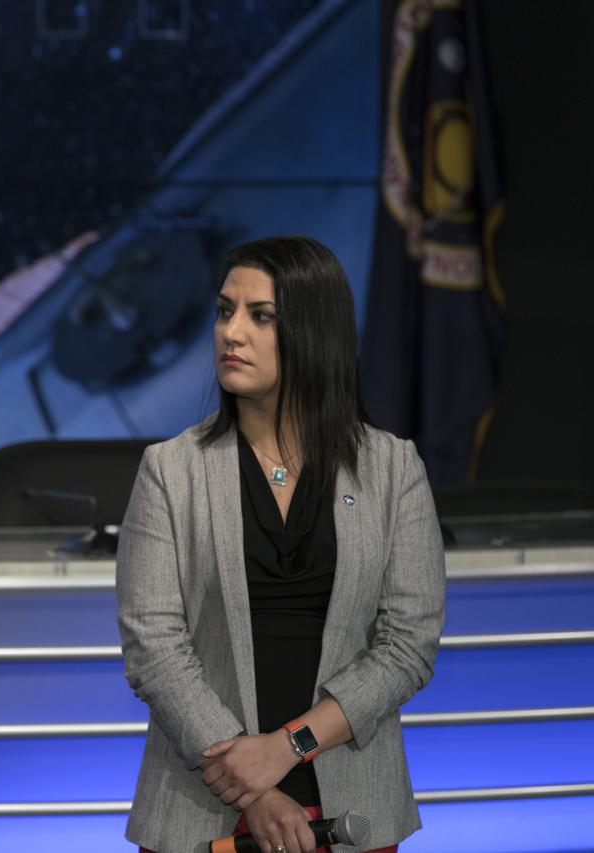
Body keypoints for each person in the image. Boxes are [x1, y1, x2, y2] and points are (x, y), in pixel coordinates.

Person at [116, 235, 445, 853]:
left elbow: (409, 643)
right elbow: (153, 647)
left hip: (353, 806)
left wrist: (288, 747)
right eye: (224, 311)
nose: (230, 333)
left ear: (314, 331)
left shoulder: (392, 467)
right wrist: (254, 787)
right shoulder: (170, 469)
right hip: (203, 805)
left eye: (260, 316)